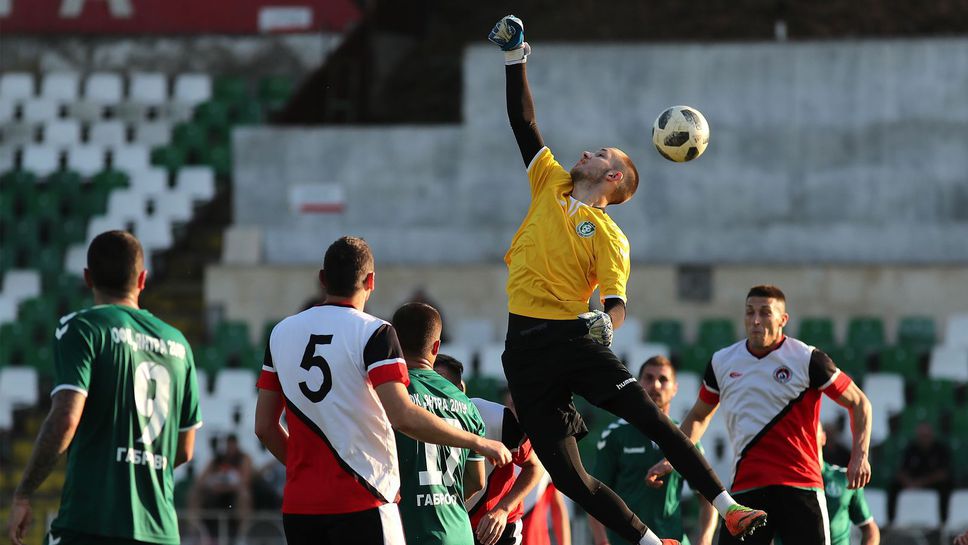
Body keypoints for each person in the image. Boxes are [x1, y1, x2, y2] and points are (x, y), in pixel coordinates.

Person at [488, 14, 766, 545]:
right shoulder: (551, 183)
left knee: (654, 421)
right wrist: (514, 56)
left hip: (574, 339)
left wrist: (605, 322)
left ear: (612, 177)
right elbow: (523, 124)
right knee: (570, 478)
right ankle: (646, 542)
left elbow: (616, 301)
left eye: (600, 154)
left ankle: (729, 507)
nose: (586, 153)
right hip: (522, 349)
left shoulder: (610, 235)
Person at [254, 236, 511, 545]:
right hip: (364, 498)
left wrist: (305, 471)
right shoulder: (375, 332)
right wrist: (477, 442)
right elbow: (403, 415)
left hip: (300, 508)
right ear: (371, 281)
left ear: (322, 279)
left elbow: (265, 427)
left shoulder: (280, 333)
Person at [7, 230, 203, 545]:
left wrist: (23, 493)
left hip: (91, 524)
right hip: (161, 532)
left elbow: (65, 420)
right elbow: (185, 449)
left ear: (88, 278)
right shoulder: (179, 345)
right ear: (142, 280)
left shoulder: (83, 328)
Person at [648, 285, 874, 545]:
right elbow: (699, 416)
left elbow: (859, 402)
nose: (756, 320)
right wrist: (673, 457)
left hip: (800, 486)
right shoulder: (722, 362)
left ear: (783, 319)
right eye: (750, 312)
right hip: (747, 488)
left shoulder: (807, 358)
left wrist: (860, 456)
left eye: (765, 313)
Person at [589, 356, 717, 545]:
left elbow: (708, 496)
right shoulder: (615, 435)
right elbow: (594, 495)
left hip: (674, 540)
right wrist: (602, 542)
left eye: (663, 380)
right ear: (638, 384)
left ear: (675, 389)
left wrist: (705, 540)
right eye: (649, 378)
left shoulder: (686, 438)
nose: (656, 385)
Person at [390, 302, 488, 545]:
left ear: (393, 341)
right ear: (436, 347)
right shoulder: (466, 403)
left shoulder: (389, 394)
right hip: (458, 533)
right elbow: (477, 481)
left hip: (406, 532)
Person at [435, 355, 544, 545]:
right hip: (445, 526)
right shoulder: (411, 421)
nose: (434, 393)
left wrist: (503, 509)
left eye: (442, 384)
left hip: (492, 528)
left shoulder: (495, 417)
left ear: (461, 389)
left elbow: (535, 467)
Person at [818, 423, 880, 545]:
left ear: (823, 437)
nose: (806, 437)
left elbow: (869, 528)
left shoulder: (844, 479)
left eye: (811, 430)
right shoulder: (783, 482)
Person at [189, 434, 253, 543]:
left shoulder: (243, 458)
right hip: (215, 494)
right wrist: (212, 484)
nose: (230, 448)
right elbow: (201, 480)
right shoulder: (217, 460)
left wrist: (225, 487)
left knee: (244, 495)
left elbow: (245, 481)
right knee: (194, 494)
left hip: (233, 494)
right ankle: (196, 532)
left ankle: (242, 535)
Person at [889, 421, 952, 521]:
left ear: (932, 435)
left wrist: (922, 483)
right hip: (912, 483)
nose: (924, 439)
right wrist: (909, 482)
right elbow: (901, 471)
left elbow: (943, 473)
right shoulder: (911, 449)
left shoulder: (940, 449)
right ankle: (891, 520)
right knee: (894, 485)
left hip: (931, 483)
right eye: (922, 436)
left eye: (926, 436)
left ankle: (943, 521)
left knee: (945, 487)